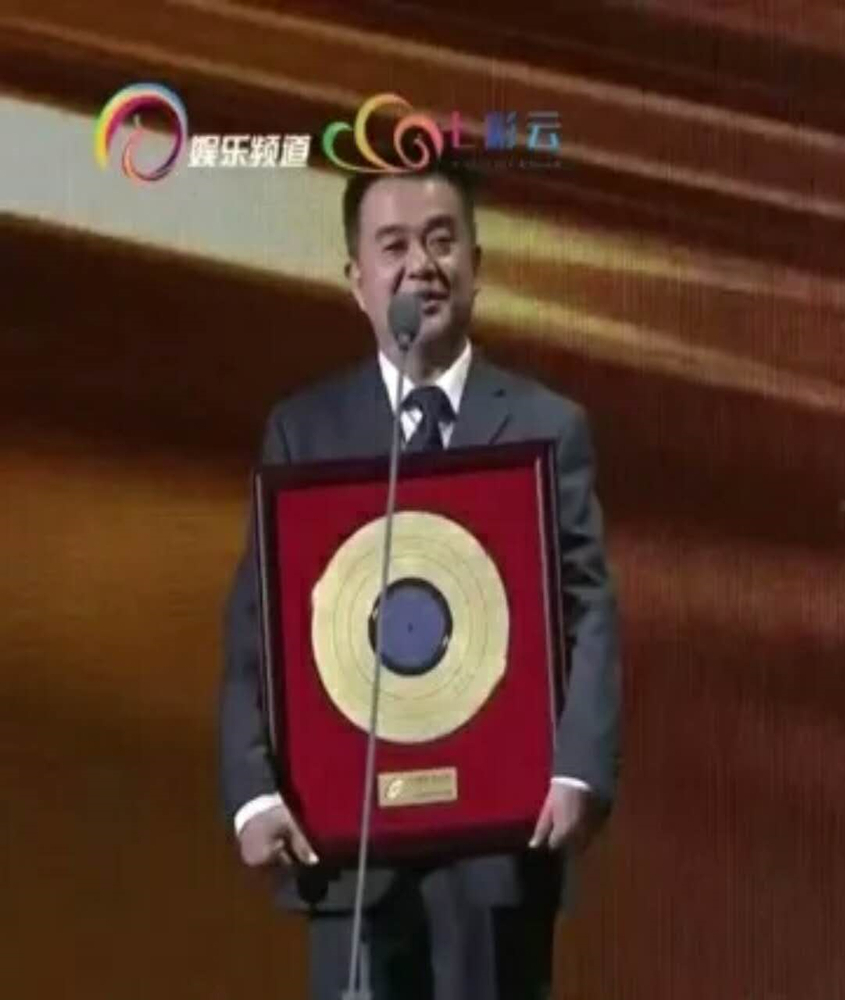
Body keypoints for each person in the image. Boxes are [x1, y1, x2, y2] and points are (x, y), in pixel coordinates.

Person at [217, 157, 621, 1000]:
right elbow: (260, 629)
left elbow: (588, 613)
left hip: (503, 851)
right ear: (356, 281)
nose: (421, 266)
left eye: (442, 241)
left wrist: (578, 771)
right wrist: (254, 793)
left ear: (477, 262)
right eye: (394, 246)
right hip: (349, 854)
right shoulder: (305, 430)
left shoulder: (547, 425)